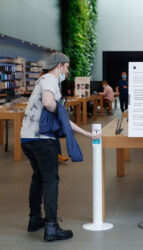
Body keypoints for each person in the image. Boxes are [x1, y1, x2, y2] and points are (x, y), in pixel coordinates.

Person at [20, 52, 100, 241]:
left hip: (27, 138)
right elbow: (49, 104)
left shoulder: (42, 80)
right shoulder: (50, 78)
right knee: (51, 180)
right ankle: (51, 227)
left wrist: (87, 134)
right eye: (67, 66)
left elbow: (62, 119)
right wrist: (60, 108)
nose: (68, 70)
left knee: (39, 177)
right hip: (42, 139)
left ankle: (34, 220)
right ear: (60, 66)